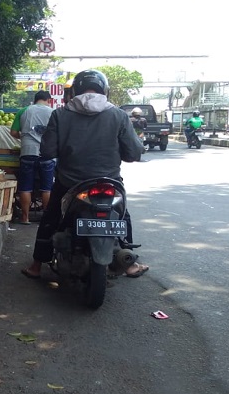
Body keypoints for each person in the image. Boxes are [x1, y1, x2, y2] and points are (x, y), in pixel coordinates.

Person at [21, 69, 149, 280]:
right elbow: (134, 153)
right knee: (122, 214)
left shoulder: (61, 115)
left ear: (75, 91)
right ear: (104, 90)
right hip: (109, 183)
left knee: (51, 218)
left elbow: (47, 152)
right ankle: (130, 263)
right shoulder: (118, 115)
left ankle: (36, 265)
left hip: (70, 183)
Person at [10, 90, 54, 225]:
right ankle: (46, 219)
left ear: (35, 100)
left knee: (25, 187)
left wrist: (24, 138)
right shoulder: (53, 112)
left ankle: (25, 218)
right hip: (46, 154)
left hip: (27, 152)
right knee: (47, 188)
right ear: (49, 100)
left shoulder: (24, 110)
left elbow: (13, 132)